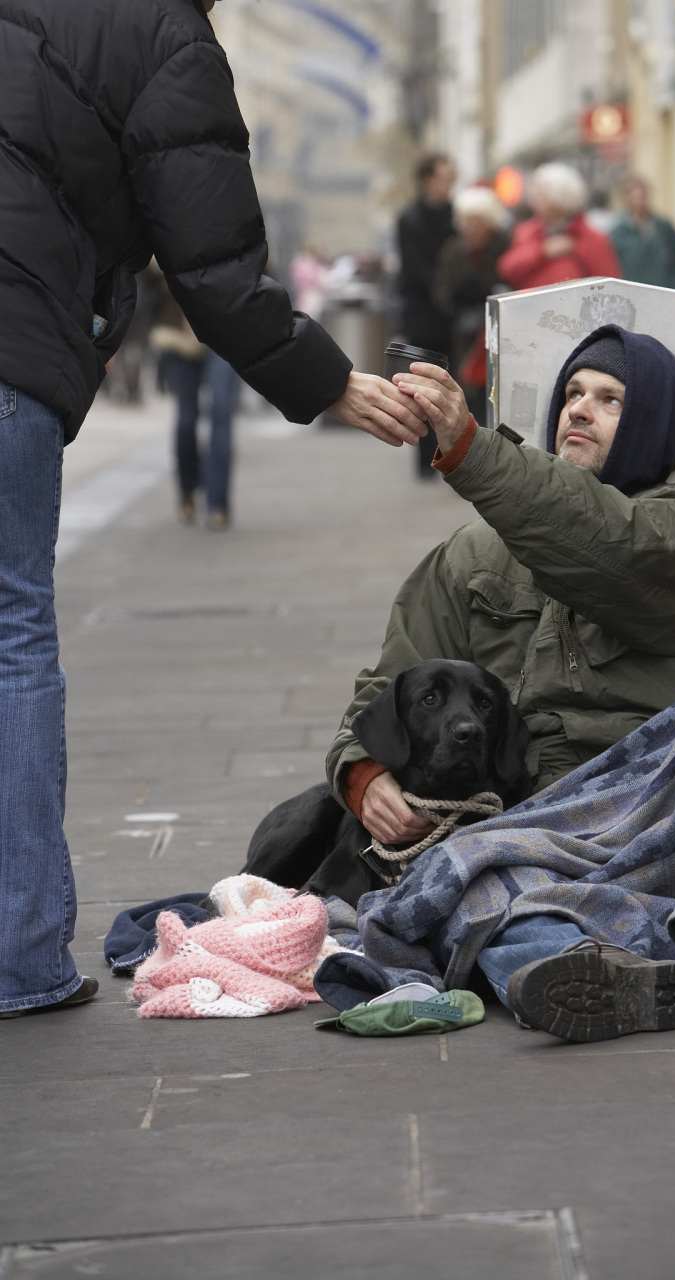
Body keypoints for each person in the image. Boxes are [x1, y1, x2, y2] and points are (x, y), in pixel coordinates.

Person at [0, 0, 426, 1018]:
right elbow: (213, 259)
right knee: (11, 633)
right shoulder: (163, 38)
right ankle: (17, 955)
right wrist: (327, 380)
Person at [313, 328, 675, 1042]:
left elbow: (600, 543)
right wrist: (364, 773)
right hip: (541, 822)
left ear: (653, 425)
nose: (579, 410)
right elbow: (387, 687)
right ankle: (611, 967)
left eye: (609, 400)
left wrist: (474, 451)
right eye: (571, 394)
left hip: (671, 802)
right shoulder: (469, 555)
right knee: (472, 889)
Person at [150, 284, 240, 529]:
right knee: (186, 420)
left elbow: (262, 268)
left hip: (224, 331)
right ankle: (188, 489)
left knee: (221, 411)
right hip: (178, 334)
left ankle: (217, 503)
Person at [395, 153, 457, 477]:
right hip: (422, 317)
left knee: (452, 389)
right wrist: (445, 287)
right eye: (446, 177)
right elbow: (415, 270)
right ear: (427, 181)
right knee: (422, 390)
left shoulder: (456, 216)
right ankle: (424, 461)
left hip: (453, 319)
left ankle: (451, 455)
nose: (451, 185)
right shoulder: (411, 219)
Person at [433, 186, 510, 423]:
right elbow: (441, 291)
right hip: (463, 336)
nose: (472, 228)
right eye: (467, 222)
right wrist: (458, 302)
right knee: (467, 394)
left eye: (478, 221)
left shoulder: (504, 246)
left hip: (500, 334)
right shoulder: (453, 250)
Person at [497, 162, 620, 291]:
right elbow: (507, 268)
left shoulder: (590, 237)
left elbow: (609, 285)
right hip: (533, 307)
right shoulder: (529, 231)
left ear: (559, 199)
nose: (533, 201)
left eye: (541, 196)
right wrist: (542, 251)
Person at [609, 176, 675, 292]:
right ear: (627, 199)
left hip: (664, 297)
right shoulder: (618, 234)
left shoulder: (664, 229)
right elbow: (612, 269)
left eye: (643, 196)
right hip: (633, 298)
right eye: (636, 197)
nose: (641, 201)